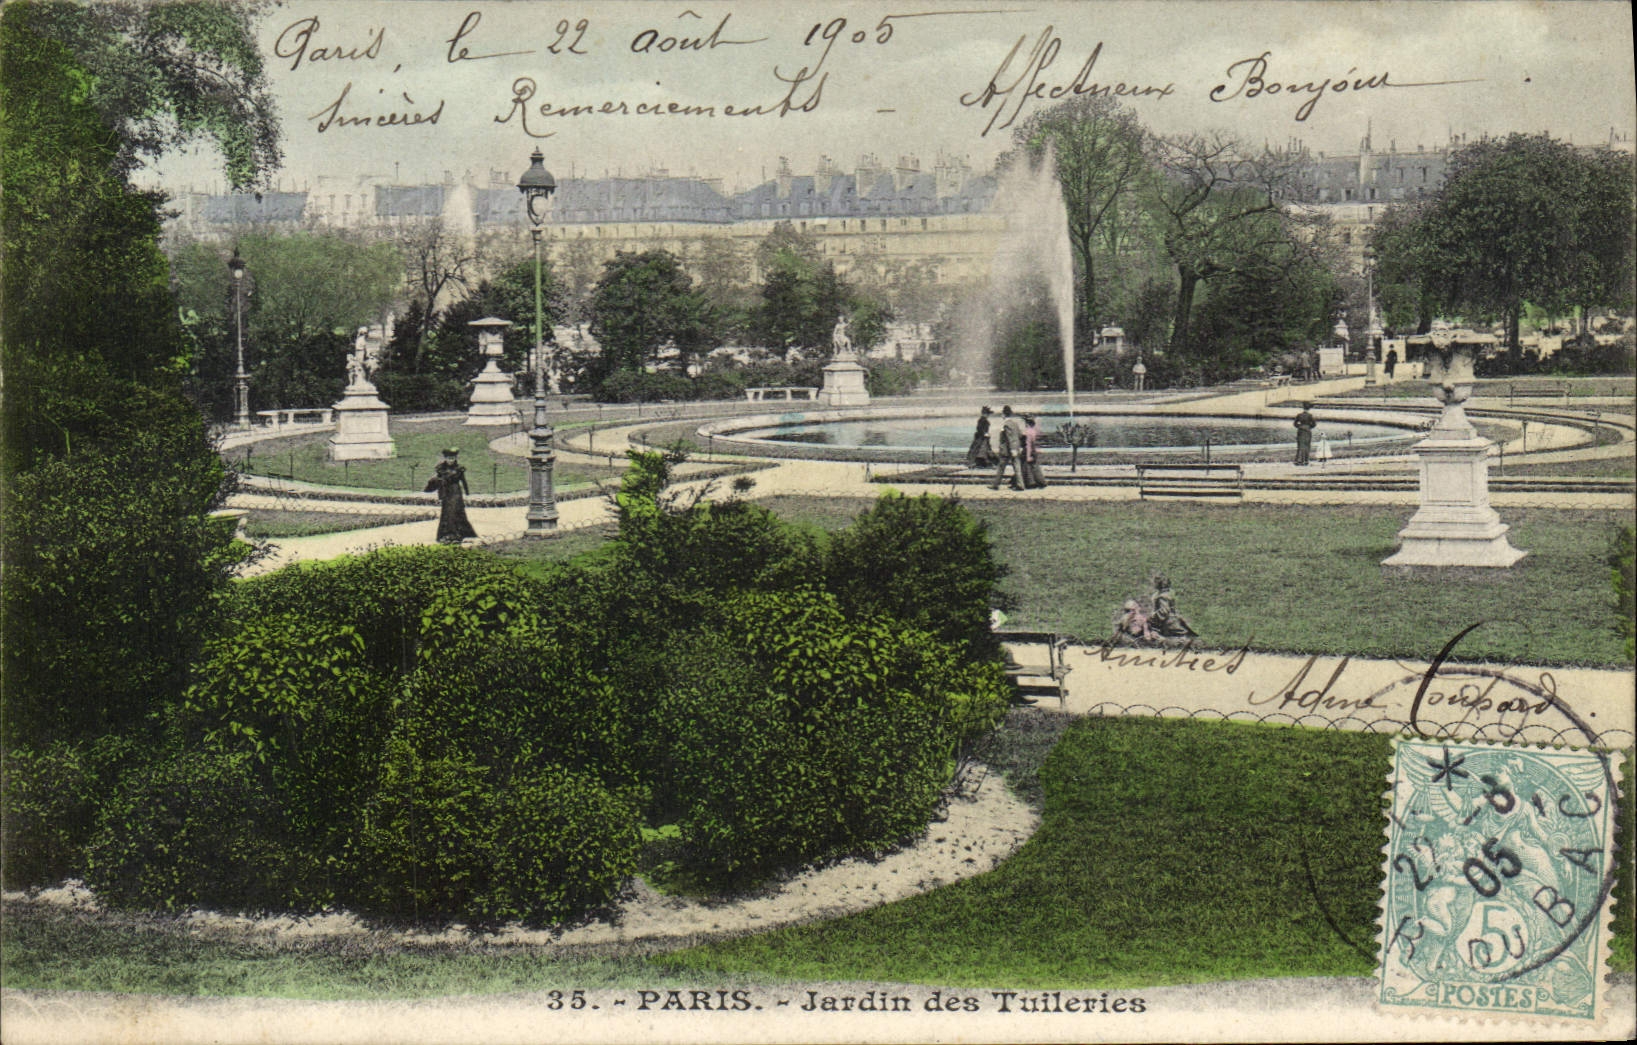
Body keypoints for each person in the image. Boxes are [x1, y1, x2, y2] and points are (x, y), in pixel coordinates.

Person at [426, 448, 478, 544]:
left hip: (456, 491)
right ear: (445, 458)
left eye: (453, 458)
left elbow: (463, 481)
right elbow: (437, 481)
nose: (451, 460)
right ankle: (446, 535)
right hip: (446, 491)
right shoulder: (441, 468)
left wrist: (467, 493)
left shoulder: (459, 469)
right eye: (449, 458)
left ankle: (459, 534)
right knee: (447, 513)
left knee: (456, 510)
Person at [1148, 574, 1196, 640]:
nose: (1153, 584)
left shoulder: (1162, 597)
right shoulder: (1170, 593)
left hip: (1169, 622)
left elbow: (1164, 611)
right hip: (1174, 619)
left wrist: (1152, 617)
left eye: (1155, 582)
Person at [990, 405, 1025, 490]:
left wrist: (1012, 449)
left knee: (1001, 468)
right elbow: (1020, 435)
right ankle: (1020, 485)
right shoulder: (1015, 424)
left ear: (1003, 414)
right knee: (1017, 468)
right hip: (1014, 449)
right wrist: (1017, 447)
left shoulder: (1006, 424)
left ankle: (995, 485)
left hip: (1007, 450)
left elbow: (1010, 437)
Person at [1022, 414, 1047, 489]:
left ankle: (1031, 483)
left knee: (1026, 466)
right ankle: (1040, 482)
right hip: (1034, 450)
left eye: (1025, 422)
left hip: (1029, 450)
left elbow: (1029, 444)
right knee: (1034, 466)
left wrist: (1028, 455)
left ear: (1027, 423)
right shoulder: (1034, 431)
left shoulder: (1028, 432)